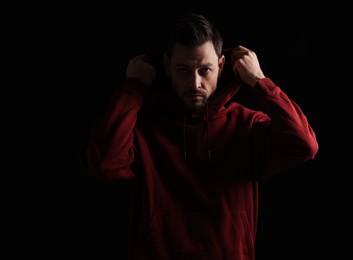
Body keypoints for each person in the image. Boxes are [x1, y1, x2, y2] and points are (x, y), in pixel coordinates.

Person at [80, 12, 319, 260]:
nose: (195, 83)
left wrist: (259, 81)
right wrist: (132, 88)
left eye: (205, 69)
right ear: (167, 67)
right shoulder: (143, 126)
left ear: (222, 65)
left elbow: (304, 145)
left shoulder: (246, 124)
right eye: (183, 70)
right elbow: (103, 164)